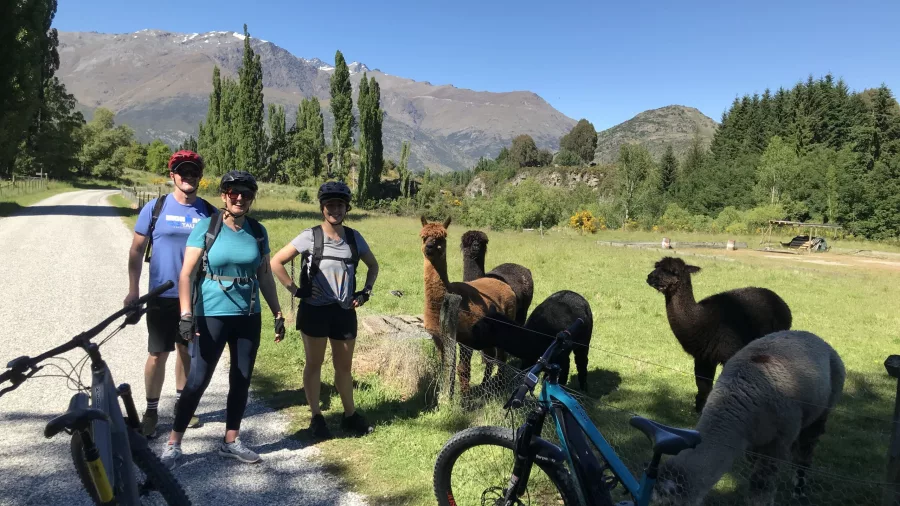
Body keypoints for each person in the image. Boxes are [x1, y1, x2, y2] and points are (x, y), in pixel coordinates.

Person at [160, 170, 285, 469]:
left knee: (241, 380)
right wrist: (186, 315)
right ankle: (173, 443)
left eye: (246, 193)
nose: (239, 197)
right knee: (198, 380)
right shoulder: (206, 227)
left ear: (252, 198)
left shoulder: (258, 231)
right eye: (233, 192)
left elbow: (264, 276)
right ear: (224, 195)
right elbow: (186, 274)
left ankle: (231, 440)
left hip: (248, 315)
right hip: (211, 313)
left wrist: (277, 312)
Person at [270, 180, 379, 439]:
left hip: (344, 311)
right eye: (330, 205)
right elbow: (276, 261)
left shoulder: (354, 238)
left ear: (346, 208)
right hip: (315, 311)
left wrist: (365, 292)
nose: (335, 210)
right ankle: (316, 417)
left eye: (340, 205)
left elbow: (373, 266)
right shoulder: (310, 236)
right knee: (314, 363)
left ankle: (350, 415)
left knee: (344, 368)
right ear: (322, 208)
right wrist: (295, 290)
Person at [126, 150, 214, 438]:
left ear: (200, 177)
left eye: (193, 172)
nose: (188, 177)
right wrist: (133, 291)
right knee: (157, 353)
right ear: (172, 176)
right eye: (182, 172)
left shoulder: (210, 213)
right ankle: (151, 411)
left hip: (195, 296)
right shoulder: (155, 208)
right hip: (161, 295)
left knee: (187, 351)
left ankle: (182, 406)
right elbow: (137, 251)